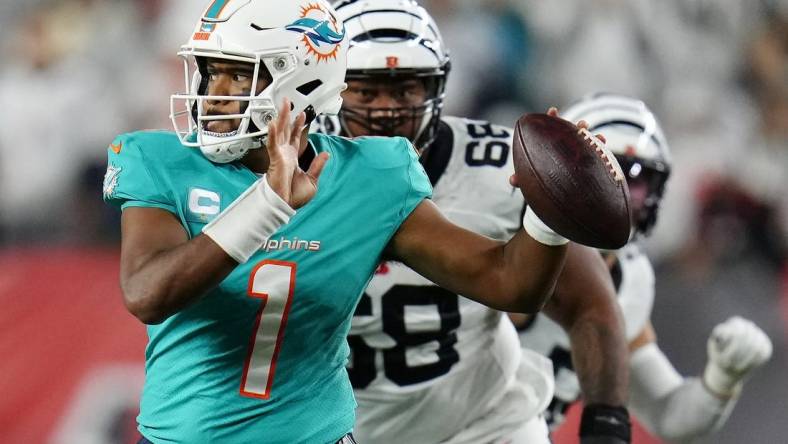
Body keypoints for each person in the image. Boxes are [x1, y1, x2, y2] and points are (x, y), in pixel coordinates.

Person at [102, 1, 616, 443]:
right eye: (211, 71)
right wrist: (266, 205)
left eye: (239, 73)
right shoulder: (160, 160)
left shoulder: (371, 176)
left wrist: (548, 213)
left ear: (301, 78)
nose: (215, 92)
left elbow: (509, 283)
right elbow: (148, 293)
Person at [311, 1, 632, 443]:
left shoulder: (502, 168)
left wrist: (607, 419)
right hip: (344, 430)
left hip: (485, 423)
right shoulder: (291, 180)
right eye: (365, 92)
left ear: (437, 88)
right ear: (328, 89)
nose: (386, 111)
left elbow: (588, 302)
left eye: (406, 90)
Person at [516, 93, 774, 442]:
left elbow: (669, 416)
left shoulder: (629, 278)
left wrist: (722, 379)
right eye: (605, 174)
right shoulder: (506, 235)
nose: (618, 197)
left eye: (635, 184)